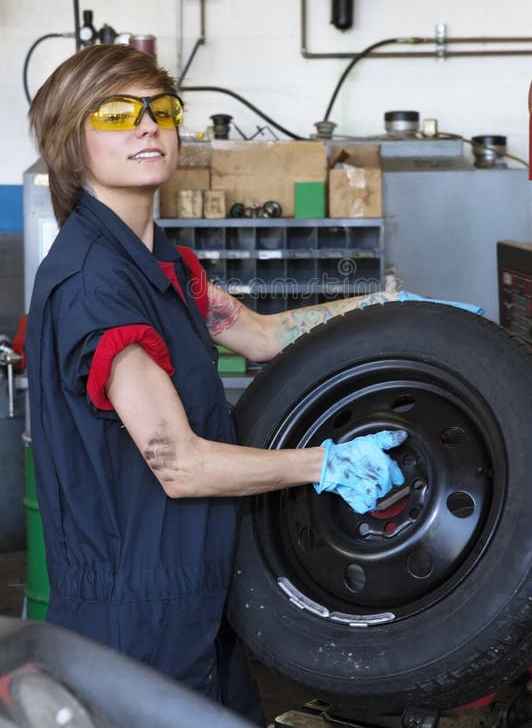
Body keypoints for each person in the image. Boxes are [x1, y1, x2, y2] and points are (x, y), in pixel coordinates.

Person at [25, 43, 413, 723]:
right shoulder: (96, 285)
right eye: (117, 114)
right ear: (71, 143)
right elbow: (180, 465)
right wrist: (325, 464)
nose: (149, 126)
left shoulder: (162, 264)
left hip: (199, 593)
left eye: (161, 109)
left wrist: (383, 310)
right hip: (135, 621)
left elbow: (260, 335)